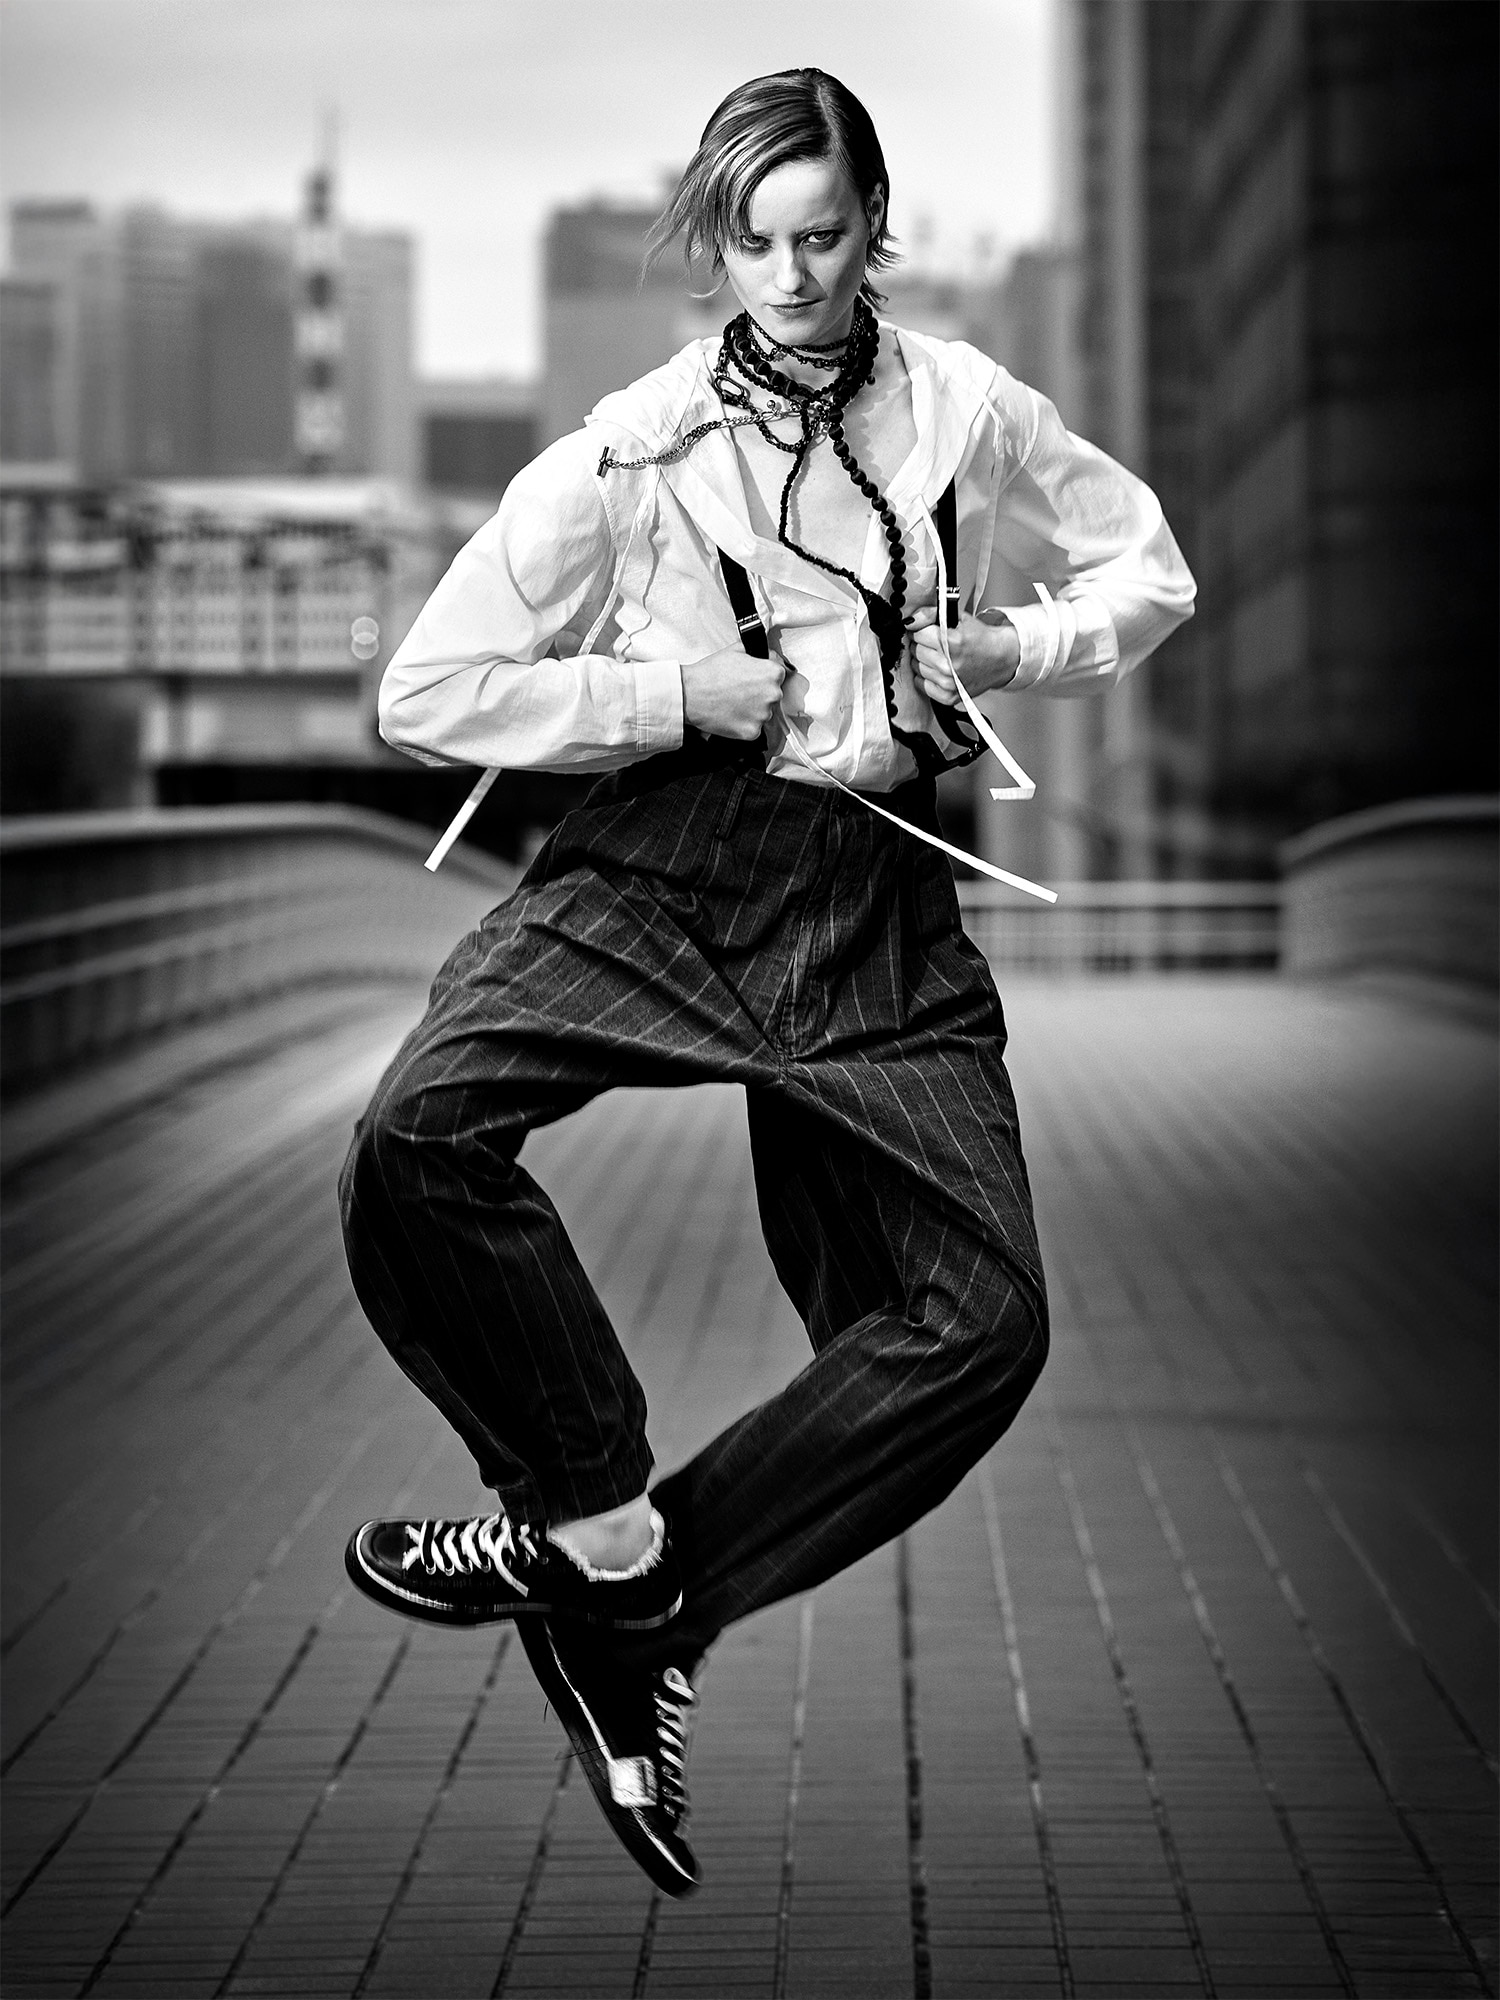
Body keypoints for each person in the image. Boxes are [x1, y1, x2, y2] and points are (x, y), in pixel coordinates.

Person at [338, 67, 1194, 1897]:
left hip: (877, 899)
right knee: (416, 1134)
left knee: (984, 1322)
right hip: (668, 859)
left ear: (875, 229)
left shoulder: (965, 406)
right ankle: (591, 1511)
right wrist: (668, 696)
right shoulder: (633, 450)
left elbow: (1151, 571)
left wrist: (1012, 644)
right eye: (757, 243)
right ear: (715, 246)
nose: (794, 276)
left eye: (825, 236)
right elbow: (428, 690)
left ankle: (633, 1597)